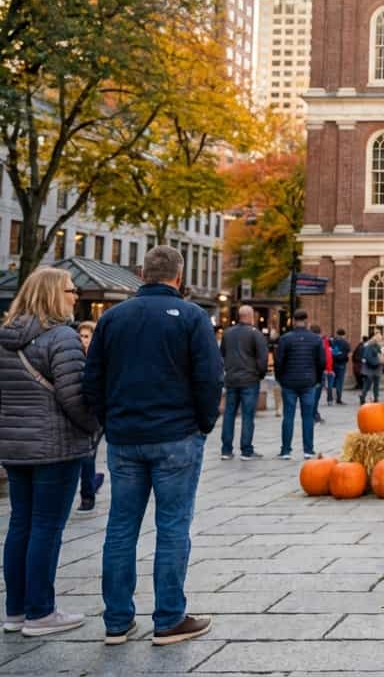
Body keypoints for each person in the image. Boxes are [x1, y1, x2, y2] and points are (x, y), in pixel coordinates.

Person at [82, 245, 222, 645]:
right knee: (173, 526)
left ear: (141, 273)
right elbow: (210, 377)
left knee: (121, 527)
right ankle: (169, 618)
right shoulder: (193, 317)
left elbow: (93, 378)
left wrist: (110, 421)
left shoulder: (112, 318)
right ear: (178, 276)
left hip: (125, 438)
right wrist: (203, 423)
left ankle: (117, 620)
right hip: (176, 436)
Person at [0, 267, 99, 637]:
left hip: (14, 445)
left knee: (20, 524)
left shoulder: (5, 338)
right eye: (72, 290)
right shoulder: (62, 337)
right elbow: (75, 397)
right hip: (56, 445)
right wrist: (94, 427)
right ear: (55, 295)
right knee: (47, 527)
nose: (76, 296)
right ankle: (40, 611)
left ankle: (15, 610)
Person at [273, 310, 326, 460]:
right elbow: (321, 361)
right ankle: (308, 449)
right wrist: (316, 377)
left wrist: (280, 378)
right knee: (308, 416)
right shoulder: (315, 339)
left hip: (289, 382)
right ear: (307, 320)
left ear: (293, 321)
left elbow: (279, 362)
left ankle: (286, 450)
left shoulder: (285, 339)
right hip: (308, 381)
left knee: (288, 416)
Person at [220, 305, 268, 461]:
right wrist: (259, 374)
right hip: (250, 379)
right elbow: (262, 359)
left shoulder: (227, 333)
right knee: (248, 416)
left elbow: (222, 355)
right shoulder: (256, 334)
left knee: (229, 414)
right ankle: (246, 450)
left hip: (232, 379)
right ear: (250, 316)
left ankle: (226, 450)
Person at [75, 320, 105, 512]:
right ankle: (94, 481)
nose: (83, 340)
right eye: (81, 336)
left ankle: (87, 496)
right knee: (83, 455)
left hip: (95, 413)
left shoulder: (100, 358)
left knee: (88, 454)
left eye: (87, 336)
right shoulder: (72, 355)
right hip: (77, 412)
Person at [360, 333, 384, 404]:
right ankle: (363, 396)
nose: (380, 341)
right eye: (379, 339)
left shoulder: (377, 347)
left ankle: (376, 398)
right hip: (369, 368)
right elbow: (367, 357)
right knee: (367, 384)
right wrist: (377, 362)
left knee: (376, 384)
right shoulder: (368, 347)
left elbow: (379, 355)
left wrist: (379, 360)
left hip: (375, 368)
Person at [329, 328, 351, 404]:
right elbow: (348, 353)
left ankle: (330, 398)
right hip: (341, 364)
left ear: (337, 334)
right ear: (344, 335)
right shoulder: (345, 343)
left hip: (332, 364)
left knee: (331, 381)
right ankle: (338, 399)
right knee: (339, 381)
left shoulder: (332, 342)